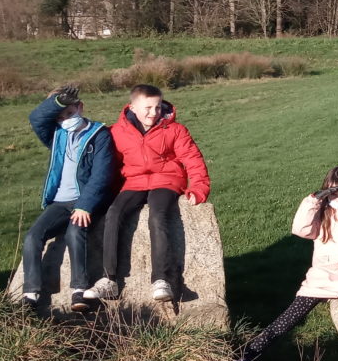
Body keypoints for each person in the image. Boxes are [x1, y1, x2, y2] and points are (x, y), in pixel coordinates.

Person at [233, 168, 338, 361]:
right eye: (332, 194)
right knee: (291, 315)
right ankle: (249, 355)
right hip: (321, 275)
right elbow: (301, 230)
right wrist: (315, 199)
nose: (337, 199)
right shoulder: (321, 213)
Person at [89, 84, 210, 304]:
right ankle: (109, 280)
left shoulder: (175, 129)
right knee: (114, 213)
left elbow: (193, 159)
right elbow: (108, 167)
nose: (154, 113)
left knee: (157, 215)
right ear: (133, 107)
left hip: (166, 179)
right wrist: (101, 197)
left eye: (158, 107)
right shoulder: (117, 132)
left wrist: (199, 188)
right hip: (133, 182)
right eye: (147, 108)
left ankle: (161, 280)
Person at [20, 85, 117, 311]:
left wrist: (85, 205)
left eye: (70, 113)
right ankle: (31, 293)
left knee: (75, 232)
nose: (66, 119)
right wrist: (58, 102)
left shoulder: (99, 135)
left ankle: (79, 291)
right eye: (60, 116)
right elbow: (35, 118)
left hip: (86, 201)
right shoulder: (56, 135)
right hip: (60, 202)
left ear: (80, 107)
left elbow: (101, 175)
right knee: (33, 236)